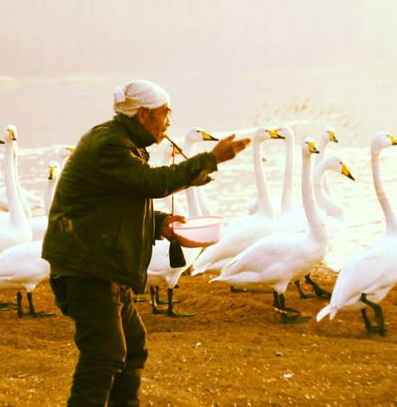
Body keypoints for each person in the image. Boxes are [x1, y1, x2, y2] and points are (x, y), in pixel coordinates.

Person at [42, 79, 250, 406]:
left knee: (132, 350)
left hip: (101, 266)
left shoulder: (123, 143)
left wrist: (160, 224)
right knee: (104, 356)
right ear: (143, 115)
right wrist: (210, 159)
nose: (169, 122)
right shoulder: (109, 144)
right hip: (86, 269)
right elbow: (152, 183)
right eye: (165, 113)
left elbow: (116, 203)